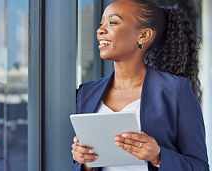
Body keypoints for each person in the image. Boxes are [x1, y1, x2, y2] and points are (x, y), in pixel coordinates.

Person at [71, 0, 209, 171]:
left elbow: (200, 166)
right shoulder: (86, 92)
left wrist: (158, 156)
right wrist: (84, 162)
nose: (100, 30)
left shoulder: (176, 90)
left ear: (143, 35)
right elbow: (79, 165)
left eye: (112, 22)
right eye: (101, 23)